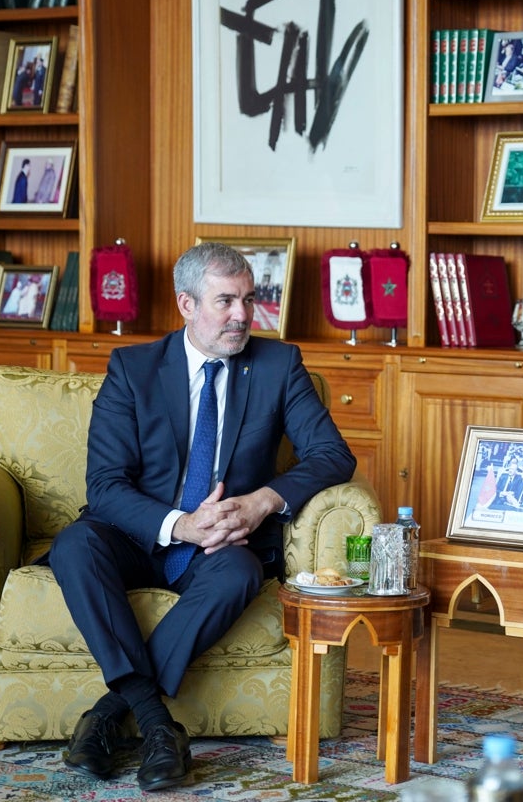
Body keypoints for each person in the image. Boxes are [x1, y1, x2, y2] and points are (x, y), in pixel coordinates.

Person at [45, 242, 356, 792]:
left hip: (220, 546)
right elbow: (105, 485)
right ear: (187, 305)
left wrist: (263, 499)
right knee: (75, 544)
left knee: (239, 573)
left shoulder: (278, 365)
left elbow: (333, 455)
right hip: (137, 534)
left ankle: (106, 716)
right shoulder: (133, 368)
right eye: (226, 301)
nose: (242, 315)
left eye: (249, 300)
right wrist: (178, 524)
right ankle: (157, 723)